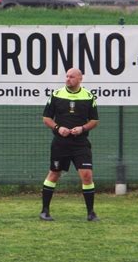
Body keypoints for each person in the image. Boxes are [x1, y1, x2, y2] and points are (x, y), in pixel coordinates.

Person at [40, 68, 99, 222]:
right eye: (66, 76)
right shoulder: (56, 95)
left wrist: (82, 128)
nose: (67, 79)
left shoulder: (88, 96)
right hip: (60, 144)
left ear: (80, 78)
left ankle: (91, 213)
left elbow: (94, 121)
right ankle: (44, 211)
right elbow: (46, 118)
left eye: (71, 76)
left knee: (87, 175)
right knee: (54, 173)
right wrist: (58, 128)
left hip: (80, 144)